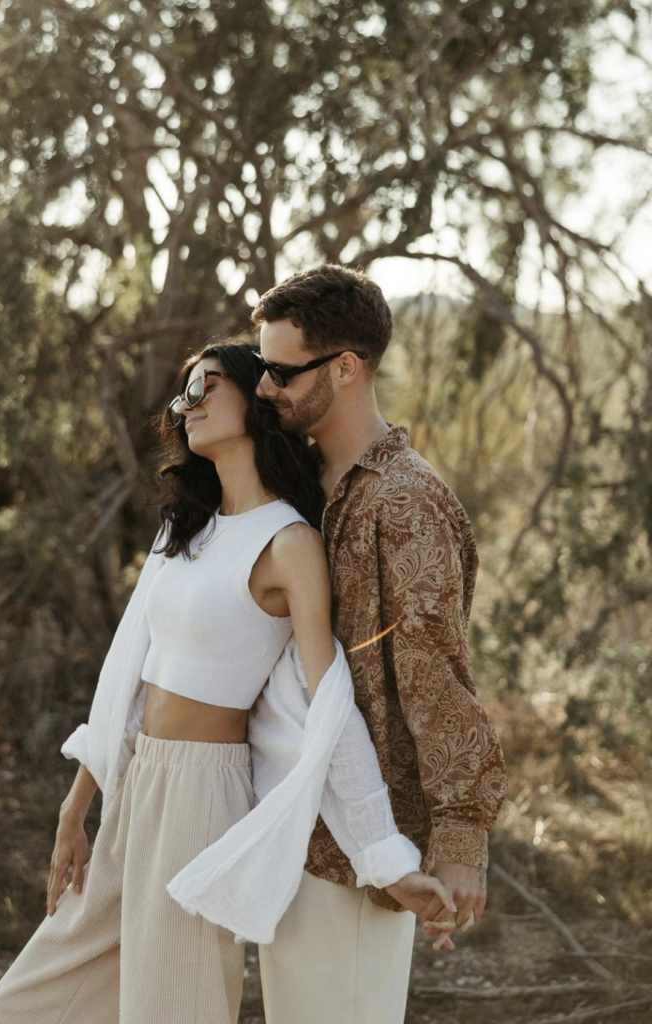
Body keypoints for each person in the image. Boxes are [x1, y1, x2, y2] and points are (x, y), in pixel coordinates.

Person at [0, 341, 457, 1024]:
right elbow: (129, 672)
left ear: (255, 396)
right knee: (22, 1007)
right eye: (184, 393)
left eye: (208, 385)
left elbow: (330, 705)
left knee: (176, 1010)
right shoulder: (185, 529)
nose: (189, 403)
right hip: (135, 789)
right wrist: (76, 804)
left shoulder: (289, 542)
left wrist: (385, 856)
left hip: (203, 796)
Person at [252, 264, 510, 1024]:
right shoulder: (302, 484)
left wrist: (460, 836)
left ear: (345, 368)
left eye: (280, 371)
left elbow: (436, 676)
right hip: (292, 822)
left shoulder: (405, 501)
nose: (266, 387)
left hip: (365, 847)